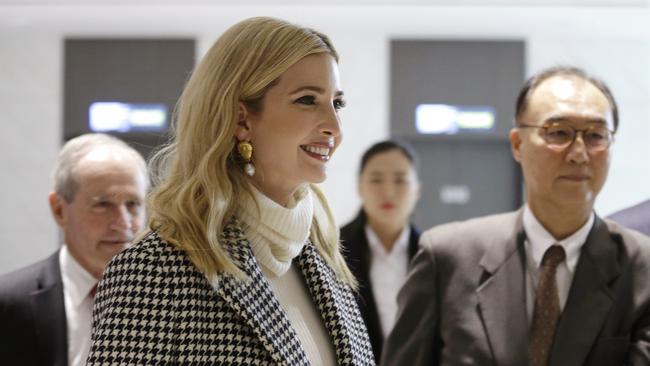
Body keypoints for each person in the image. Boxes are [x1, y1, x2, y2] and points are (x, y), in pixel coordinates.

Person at [86, 17, 374, 365]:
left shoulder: (324, 261)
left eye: (337, 103)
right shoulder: (153, 271)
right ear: (241, 120)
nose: (334, 128)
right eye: (307, 100)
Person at [382, 66, 650, 366]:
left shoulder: (643, 268)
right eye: (559, 132)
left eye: (596, 136)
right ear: (518, 144)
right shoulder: (447, 258)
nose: (578, 153)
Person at [0, 133, 148, 366]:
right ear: (59, 210)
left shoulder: (177, 299)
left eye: (133, 204)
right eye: (102, 204)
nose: (123, 222)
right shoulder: (8, 304)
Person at [340, 140, 421, 360]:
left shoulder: (432, 253)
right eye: (376, 180)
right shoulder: (333, 250)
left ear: (417, 190)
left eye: (400, 180)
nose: (388, 192)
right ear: (359, 187)